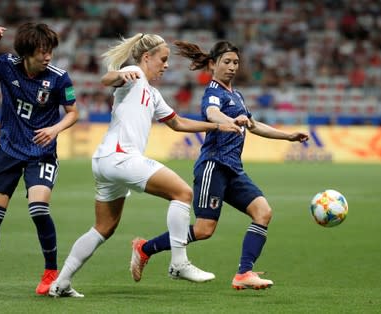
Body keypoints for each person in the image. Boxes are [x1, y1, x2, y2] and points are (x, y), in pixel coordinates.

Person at [48, 33, 243, 298]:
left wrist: (218, 126)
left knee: (104, 227)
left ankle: (61, 283)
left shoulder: (153, 93)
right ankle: (178, 263)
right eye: (162, 60)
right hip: (121, 157)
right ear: (147, 57)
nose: (165, 65)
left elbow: (178, 123)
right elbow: (107, 79)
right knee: (183, 193)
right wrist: (119, 76)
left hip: (106, 161)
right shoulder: (134, 73)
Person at [129, 40, 309, 290]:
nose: (233, 66)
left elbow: (254, 126)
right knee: (204, 230)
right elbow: (212, 113)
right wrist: (231, 119)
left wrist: (288, 136)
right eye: (227, 62)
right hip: (213, 167)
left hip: (234, 169)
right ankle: (145, 248)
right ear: (213, 64)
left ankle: (244, 273)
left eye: (236, 62)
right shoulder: (213, 91)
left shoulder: (237, 95)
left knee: (263, 212)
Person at [0, 23, 79, 296]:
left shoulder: (59, 78)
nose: (48, 57)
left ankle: (50, 273)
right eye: (41, 52)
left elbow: (73, 112)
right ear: (26, 53)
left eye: (50, 51)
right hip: (9, 151)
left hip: (41, 153)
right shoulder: (6, 65)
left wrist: (55, 129)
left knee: (38, 209)